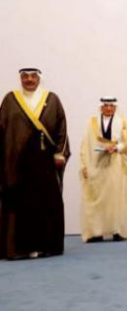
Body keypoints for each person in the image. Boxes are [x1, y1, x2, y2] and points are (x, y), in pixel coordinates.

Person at [0, 68, 70, 260]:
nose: (29, 80)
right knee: (19, 203)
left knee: (44, 202)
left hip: (44, 162)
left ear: (39, 78)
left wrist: (59, 153)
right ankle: (18, 249)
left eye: (33, 76)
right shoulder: (10, 100)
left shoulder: (52, 99)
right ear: (20, 78)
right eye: (25, 76)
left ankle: (45, 246)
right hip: (16, 163)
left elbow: (61, 127)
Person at [78, 97, 127, 243]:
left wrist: (116, 147)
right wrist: (84, 164)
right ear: (101, 107)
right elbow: (86, 144)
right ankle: (96, 232)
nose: (109, 109)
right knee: (96, 197)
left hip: (115, 164)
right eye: (106, 106)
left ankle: (117, 230)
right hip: (96, 164)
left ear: (115, 108)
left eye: (111, 106)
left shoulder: (122, 121)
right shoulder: (92, 122)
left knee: (115, 197)